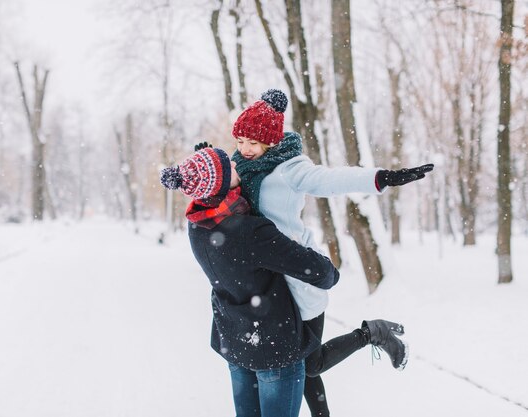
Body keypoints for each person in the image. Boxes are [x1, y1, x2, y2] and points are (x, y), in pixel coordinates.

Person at [229, 88, 434, 416]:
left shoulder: (291, 169)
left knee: (309, 364)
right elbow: (212, 179)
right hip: (266, 284)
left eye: (252, 142)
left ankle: (372, 333)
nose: (244, 149)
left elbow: (332, 179)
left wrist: (381, 178)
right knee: (298, 365)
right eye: (239, 140)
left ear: (270, 142)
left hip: (297, 278)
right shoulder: (239, 165)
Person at [160, 147, 409, 417]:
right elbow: (316, 270)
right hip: (273, 348)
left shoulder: (197, 224)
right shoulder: (250, 232)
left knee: (309, 367)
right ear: (219, 186)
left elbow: (219, 191)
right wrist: (329, 272)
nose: (235, 163)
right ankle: (371, 334)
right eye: (228, 166)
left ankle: (370, 336)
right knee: (312, 365)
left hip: (234, 339)